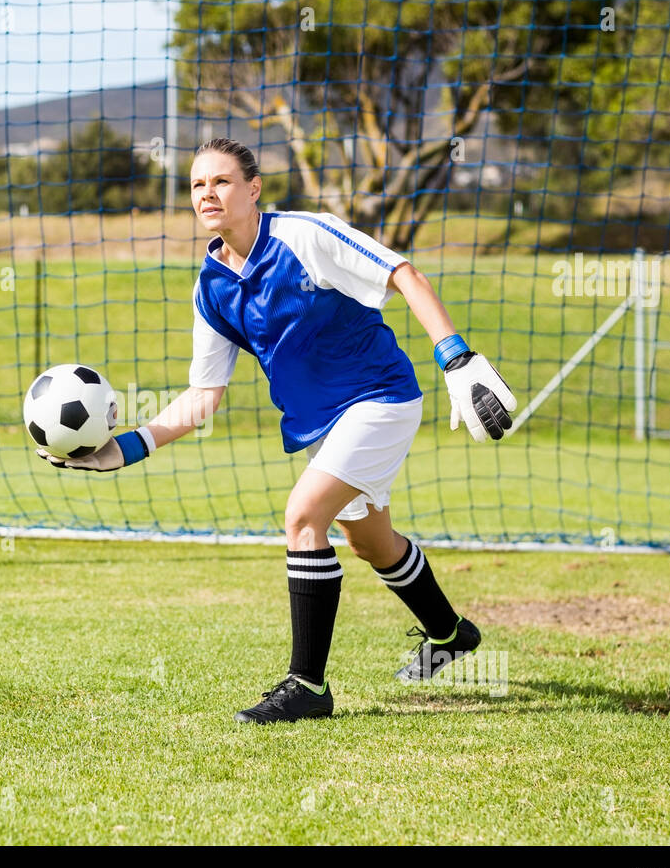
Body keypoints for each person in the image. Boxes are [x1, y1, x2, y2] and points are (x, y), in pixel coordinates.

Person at [39, 137, 517, 724]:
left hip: (381, 399)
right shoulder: (210, 288)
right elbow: (203, 397)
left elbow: (403, 273)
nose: (207, 193)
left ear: (252, 188)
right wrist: (125, 449)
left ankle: (307, 688)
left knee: (303, 516)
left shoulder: (304, 234)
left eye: (221, 181)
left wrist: (457, 359)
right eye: (196, 184)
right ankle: (451, 633)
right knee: (372, 544)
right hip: (320, 426)